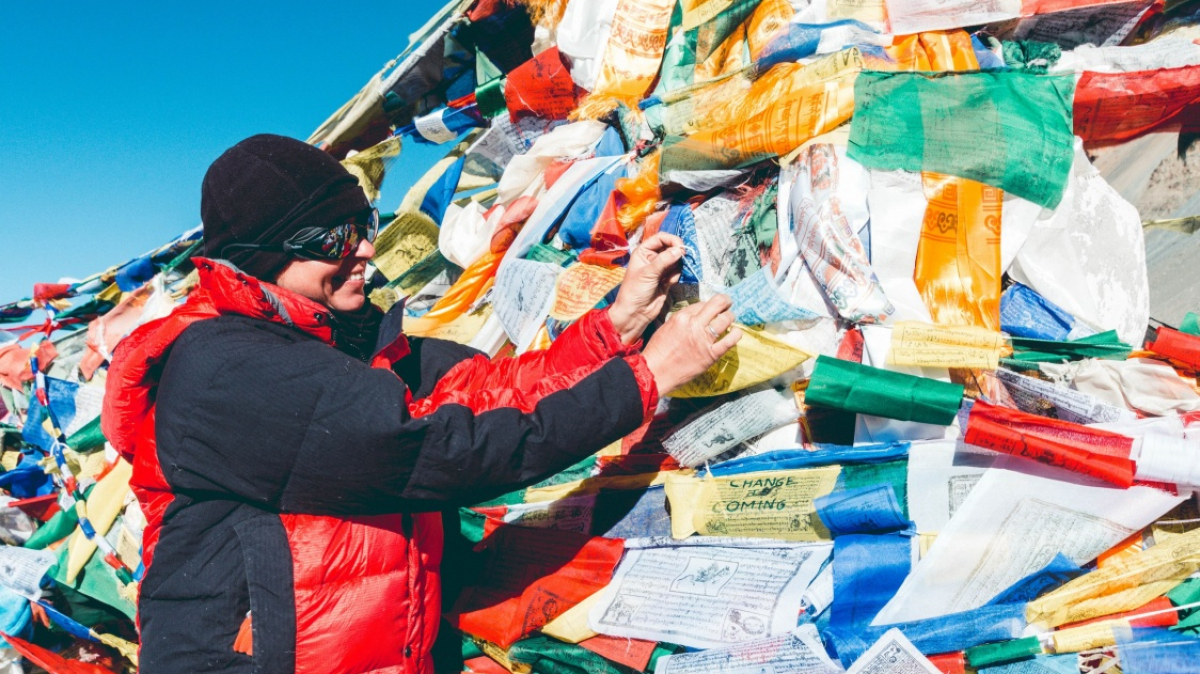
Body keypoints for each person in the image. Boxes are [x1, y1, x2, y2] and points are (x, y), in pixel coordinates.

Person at [102, 134, 742, 674]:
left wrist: (616, 329)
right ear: (266, 257)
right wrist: (647, 377)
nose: (363, 250)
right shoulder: (226, 369)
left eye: (364, 227)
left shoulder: (345, 343)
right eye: (333, 238)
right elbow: (436, 447)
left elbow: (485, 393)